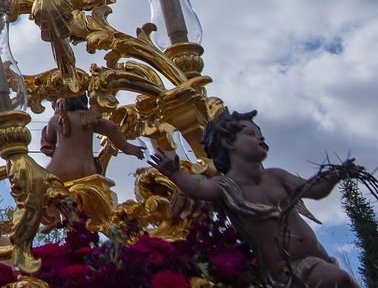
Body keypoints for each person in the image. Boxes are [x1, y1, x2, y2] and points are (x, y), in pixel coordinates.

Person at [150, 109, 360, 287]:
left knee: (346, 281)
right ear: (227, 142)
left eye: (261, 135)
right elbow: (196, 189)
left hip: (320, 257)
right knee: (340, 280)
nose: (260, 138)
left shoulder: (277, 176)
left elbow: (313, 191)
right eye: (250, 134)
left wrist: (334, 177)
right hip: (289, 271)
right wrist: (174, 173)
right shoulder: (225, 186)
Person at [39, 93, 145, 182]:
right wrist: (125, 146)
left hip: (60, 169)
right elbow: (112, 128)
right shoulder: (89, 118)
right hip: (88, 171)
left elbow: (49, 143)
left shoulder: (55, 120)